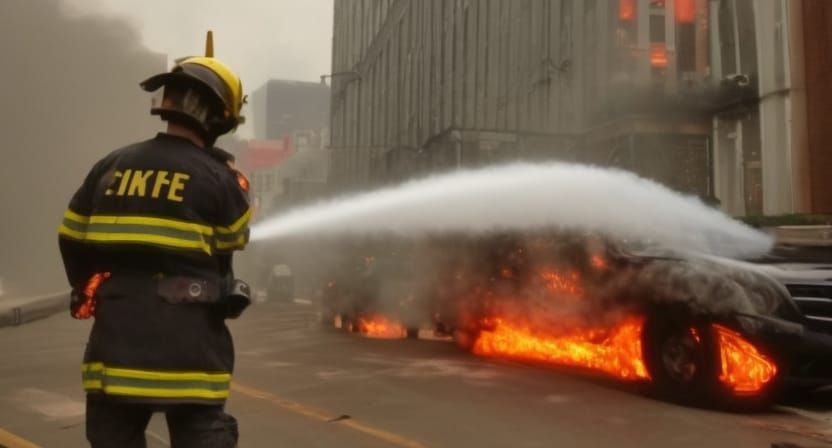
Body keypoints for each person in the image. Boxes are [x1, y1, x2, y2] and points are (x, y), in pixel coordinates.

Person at [57, 32, 251, 448]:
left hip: (116, 349)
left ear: (167, 105)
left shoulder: (111, 166)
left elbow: (71, 237)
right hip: (192, 357)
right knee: (203, 433)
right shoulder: (219, 178)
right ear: (221, 119)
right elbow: (232, 241)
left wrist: (89, 287)